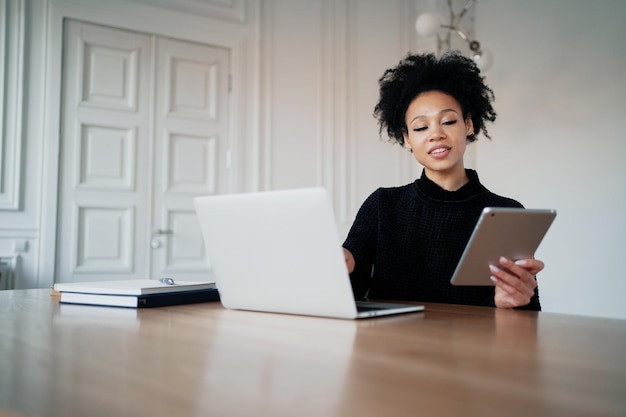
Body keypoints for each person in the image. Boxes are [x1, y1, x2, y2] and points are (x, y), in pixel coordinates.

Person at [342, 51, 542, 310]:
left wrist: (511, 302)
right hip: (390, 347)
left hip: (474, 348)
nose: (436, 134)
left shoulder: (506, 213)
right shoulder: (383, 205)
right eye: (421, 127)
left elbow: (528, 314)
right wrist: (341, 269)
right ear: (406, 139)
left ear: (468, 125)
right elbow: (349, 295)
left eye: (448, 121)